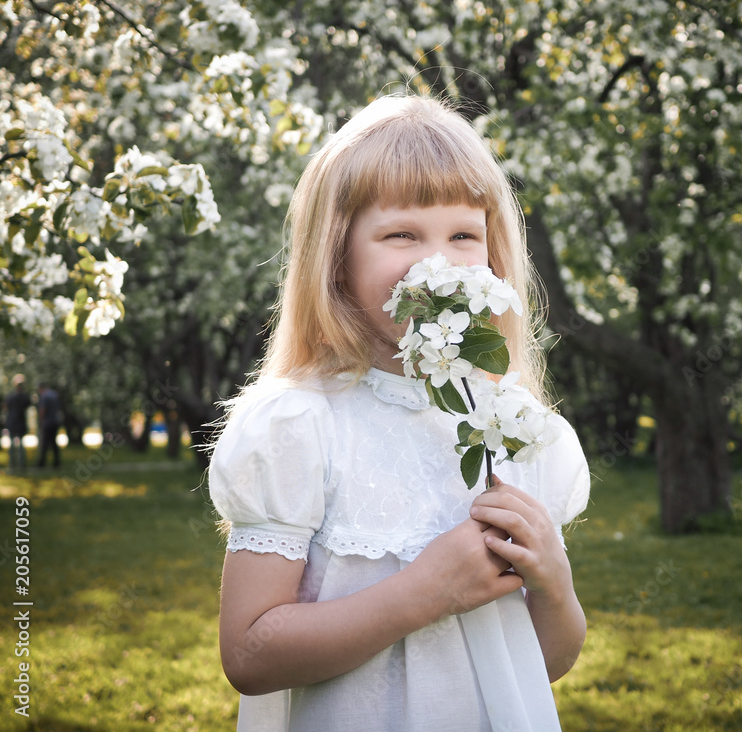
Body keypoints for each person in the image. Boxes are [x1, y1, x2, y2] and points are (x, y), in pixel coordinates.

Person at [208, 94, 591, 732]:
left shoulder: (516, 430)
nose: (436, 261)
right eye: (402, 234)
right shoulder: (301, 427)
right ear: (336, 258)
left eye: (463, 235)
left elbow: (543, 662)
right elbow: (250, 653)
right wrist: (423, 595)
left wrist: (553, 582)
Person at [3, 375, 31, 471]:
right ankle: (20, 465)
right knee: (20, 445)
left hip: (12, 422)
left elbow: (6, 408)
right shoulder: (25, 397)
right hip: (19, 422)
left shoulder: (10, 396)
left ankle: (12, 465)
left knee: (13, 445)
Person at [36, 381, 62, 468]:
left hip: (47, 422)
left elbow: (43, 410)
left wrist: (40, 420)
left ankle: (42, 462)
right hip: (55, 421)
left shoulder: (44, 396)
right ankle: (56, 462)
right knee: (54, 443)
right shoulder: (54, 394)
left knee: (45, 444)